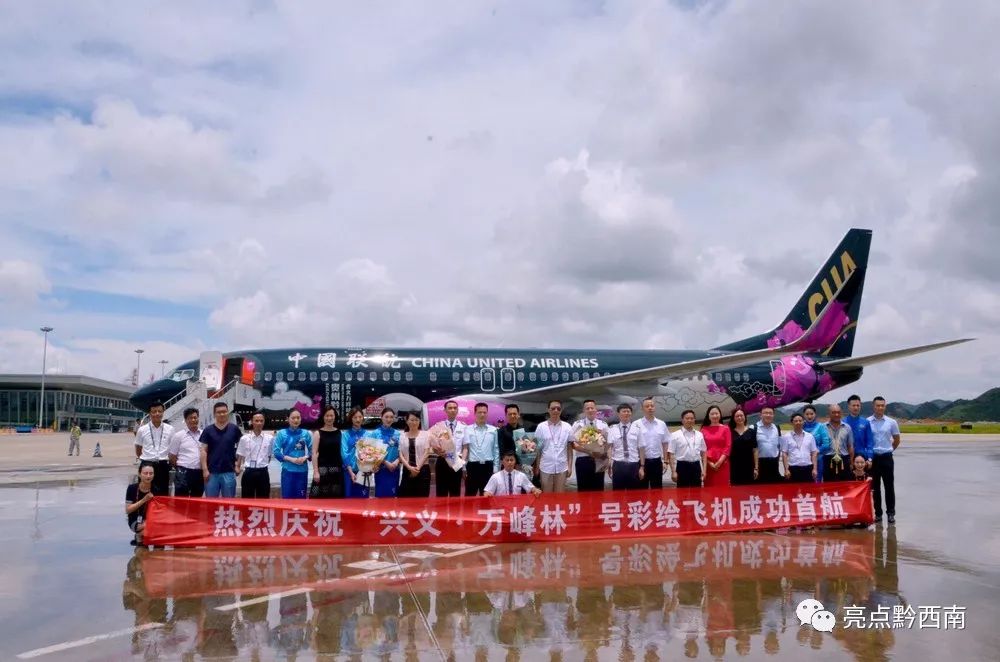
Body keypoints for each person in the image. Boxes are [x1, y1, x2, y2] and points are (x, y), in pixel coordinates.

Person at [868, 396, 901, 524]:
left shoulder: (891, 422)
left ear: (885, 406)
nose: (880, 408)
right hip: (874, 458)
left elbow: (896, 440)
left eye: (882, 405)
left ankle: (891, 513)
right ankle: (878, 514)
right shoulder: (868, 422)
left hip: (887, 457)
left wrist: (890, 450)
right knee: (875, 487)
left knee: (889, 487)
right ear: (873, 406)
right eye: (878, 405)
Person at [199, 402, 242, 498]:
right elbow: (203, 451)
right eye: (219, 412)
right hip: (211, 473)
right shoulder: (208, 430)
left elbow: (241, 448)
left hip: (229, 471)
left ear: (227, 412)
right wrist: (205, 470)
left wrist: (238, 465)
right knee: (211, 502)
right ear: (214, 414)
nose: (222, 414)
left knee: (229, 502)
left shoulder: (234, 429)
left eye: (224, 411)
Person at [134, 401, 175, 495]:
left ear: (163, 412)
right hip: (147, 465)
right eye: (154, 411)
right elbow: (138, 448)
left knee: (163, 493)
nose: (157, 414)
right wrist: (146, 459)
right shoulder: (142, 430)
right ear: (149, 413)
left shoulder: (170, 429)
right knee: (144, 492)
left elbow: (172, 448)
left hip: (163, 465)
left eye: (159, 411)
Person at [428, 400, 466, 497]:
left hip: (457, 462)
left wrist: (463, 464)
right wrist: (438, 452)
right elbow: (432, 444)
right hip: (442, 461)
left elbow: (465, 447)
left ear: (457, 410)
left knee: (455, 494)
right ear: (445, 410)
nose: (452, 410)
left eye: (455, 408)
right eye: (450, 408)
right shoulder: (438, 426)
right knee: (441, 493)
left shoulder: (463, 426)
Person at [570, 399, 609, 492]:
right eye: (587, 408)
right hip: (583, 460)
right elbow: (572, 443)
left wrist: (603, 454)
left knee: (598, 490)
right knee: (583, 490)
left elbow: (608, 443)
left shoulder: (603, 425)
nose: (590, 410)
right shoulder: (577, 424)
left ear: (596, 409)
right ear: (584, 411)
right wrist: (589, 452)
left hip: (599, 460)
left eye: (592, 408)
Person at [535, 400, 574, 493]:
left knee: (560, 497)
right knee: (546, 496)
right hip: (545, 467)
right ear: (548, 410)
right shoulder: (541, 427)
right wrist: (537, 467)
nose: (556, 410)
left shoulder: (567, 427)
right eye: (553, 408)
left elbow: (569, 449)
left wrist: (570, 466)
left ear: (561, 410)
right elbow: (538, 449)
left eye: (558, 409)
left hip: (562, 467)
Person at [272, 409, 313, 499]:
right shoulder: (281, 433)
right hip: (287, 471)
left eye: (298, 418)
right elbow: (276, 452)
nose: (296, 420)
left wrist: (305, 457)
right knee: (287, 500)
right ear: (288, 419)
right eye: (293, 418)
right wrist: (292, 459)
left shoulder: (306, 433)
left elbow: (313, 451)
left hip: (302, 471)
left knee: (301, 500)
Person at [462, 402, 500, 497]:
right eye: (479, 412)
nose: (482, 414)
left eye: (484, 412)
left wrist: (496, 468)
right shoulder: (467, 429)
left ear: (487, 413)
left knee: (487, 497)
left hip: (488, 467)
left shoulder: (493, 430)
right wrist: (464, 467)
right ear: (475, 413)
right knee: (469, 497)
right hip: (472, 467)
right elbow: (465, 449)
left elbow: (496, 449)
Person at [607, 403, 645, 490]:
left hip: (633, 465)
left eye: (628, 411)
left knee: (634, 494)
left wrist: (642, 467)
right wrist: (609, 465)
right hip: (618, 465)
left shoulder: (637, 429)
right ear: (618, 414)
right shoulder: (612, 429)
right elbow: (609, 448)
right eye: (624, 411)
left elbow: (641, 448)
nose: (626, 413)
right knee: (618, 493)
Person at [168, 407, 204, 497]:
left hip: (199, 472)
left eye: (195, 417)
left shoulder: (204, 434)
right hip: (183, 472)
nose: (193, 420)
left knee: (197, 499)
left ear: (198, 418)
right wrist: (179, 468)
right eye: (190, 418)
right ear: (185, 420)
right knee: (181, 499)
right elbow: (172, 456)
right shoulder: (179, 436)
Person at [236, 411, 273, 498]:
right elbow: (240, 455)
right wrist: (237, 467)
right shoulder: (244, 438)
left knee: (263, 500)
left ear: (264, 422)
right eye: (256, 421)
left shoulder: (270, 439)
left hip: (263, 472)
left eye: (261, 421)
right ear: (252, 422)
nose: (259, 423)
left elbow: (269, 456)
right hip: (249, 472)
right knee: (247, 500)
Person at [668, 410, 707, 488]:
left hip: (696, 466)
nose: (689, 420)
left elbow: (704, 452)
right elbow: (671, 454)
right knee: (682, 493)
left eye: (692, 418)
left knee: (696, 492)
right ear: (682, 420)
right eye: (687, 418)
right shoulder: (675, 435)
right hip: (682, 466)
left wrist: (704, 470)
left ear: (694, 420)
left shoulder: (699, 434)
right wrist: (673, 471)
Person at [311, 406, 344, 498]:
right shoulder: (318, 433)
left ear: (335, 416)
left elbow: (342, 452)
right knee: (319, 499)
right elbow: (314, 453)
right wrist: (316, 472)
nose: (329, 418)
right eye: (327, 415)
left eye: (331, 415)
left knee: (335, 499)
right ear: (323, 417)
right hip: (322, 472)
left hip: (336, 472)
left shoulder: (340, 433)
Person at [368, 408, 401, 498]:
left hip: (394, 469)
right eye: (386, 417)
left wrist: (396, 462)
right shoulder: (375, 434)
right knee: (381, 499)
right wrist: (385, 462)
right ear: (381, 417)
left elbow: (402, 451)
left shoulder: (398, 434)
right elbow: (371, 451)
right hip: (381, 470)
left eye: (391, 417)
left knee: (393, 498)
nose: (389, 419)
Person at [637, 397, 669, 488]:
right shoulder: (636, 424)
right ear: (642, 409)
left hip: (656, 462)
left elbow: (665, 443)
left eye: (652, 406)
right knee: (641, 490)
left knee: (657, 489)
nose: (650, 408)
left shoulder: (661, 424)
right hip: (641, 462)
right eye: (647, 406)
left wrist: (665, 461)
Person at [399, 411, 432, 498]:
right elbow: (400, 454)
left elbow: (426, 452)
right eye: (412, 420)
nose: (414, 422)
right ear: (407, 421)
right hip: (407, 470)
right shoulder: (402, 436)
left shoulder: (426, 434)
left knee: (422, 498)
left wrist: (417, 468)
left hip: (423, 470)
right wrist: (409, 468)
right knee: (405, 498)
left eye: (416, 420)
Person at [781, 413, 818, 483]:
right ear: (792, 423)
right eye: (796, 421)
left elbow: (814, 453)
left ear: (803, 422)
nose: (798, 422)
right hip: (793, 469)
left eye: (800, 421)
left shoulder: (810, 436)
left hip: (808, 468)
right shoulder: (786, 437)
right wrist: (786, 469)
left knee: (808, 489)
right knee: (793, 489)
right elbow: (784, 454)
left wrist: (815, 469)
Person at [341, 408, 369, 498]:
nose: (358, 419)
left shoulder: (367, 434)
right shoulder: (345, 434)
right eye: (355, 417)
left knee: (363, 500)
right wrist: (351, 472)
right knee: (349, 499)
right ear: (351, 419)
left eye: (360, 417)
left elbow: (371, 453)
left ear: (363, 418)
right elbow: (344, 454)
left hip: (364, 472)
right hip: (349, 472)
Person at [701, 405, 731, 488]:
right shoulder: (703, 429)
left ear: (720, 414)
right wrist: (709, 463)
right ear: (708, 416)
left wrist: (719, 463)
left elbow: (728, 446)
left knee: (723, 489)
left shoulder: (726, 428)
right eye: (712, 414)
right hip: (708, 464)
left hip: (723, 463)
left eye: (716, 413)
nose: (714, 416)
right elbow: (702, 449)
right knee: (709, 489)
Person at [125, 463, 155, 546]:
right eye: (145, 473)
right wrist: (144, 500)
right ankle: (140, 535)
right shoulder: (132, 488)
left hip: (152, 519)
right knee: (146, 529)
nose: (148, 476)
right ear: (139, 474)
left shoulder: (156, 488)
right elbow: (128, 510)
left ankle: (140, 536)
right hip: (136, 520)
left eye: (151, 473)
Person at [823, 404, 855, 481]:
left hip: (844, 459)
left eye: (838, 412)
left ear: (841, 413)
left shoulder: (847, 427)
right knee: (829, 485)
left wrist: (851, 462)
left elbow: (850, 446)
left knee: (845, 484)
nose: (836, 414)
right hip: (828, 459)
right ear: (829, 414)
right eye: (833, 412)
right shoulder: (823, 427)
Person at [728, 407, 757, 485]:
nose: (739, 418)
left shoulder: (752, 431)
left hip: (749, 466)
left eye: (741, 415)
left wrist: (756, 468)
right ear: (733, 418)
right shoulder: (729, 432)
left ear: (745, 417)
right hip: (734, 466)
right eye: (737, 416)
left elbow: (755, 450)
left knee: (749, 490)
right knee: (735, 490)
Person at [844, 395, 874, 470]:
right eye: (853, 405)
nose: (856, 408)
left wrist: (870, 458)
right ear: (849, 406)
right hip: (847, 457)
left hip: (862, 458)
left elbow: (870, 442)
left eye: (858, 405)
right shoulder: (843, 422)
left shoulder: (866, 422)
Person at [803, 405, 831, 482]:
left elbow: (826, 444)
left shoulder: (820, 427)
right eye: (807, 414)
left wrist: (816, 451)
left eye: (811, 414)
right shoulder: (801, 426)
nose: (809, 416)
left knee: (817, 481)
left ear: (815, 414)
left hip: (818, 459)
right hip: (803, 460)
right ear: (804, 415)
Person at [755, 406, 782, 483]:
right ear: (760, 415)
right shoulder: (754, 428)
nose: (768, 415)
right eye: (765, 413)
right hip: (760, 463)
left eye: (770, 413)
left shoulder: (777, 427)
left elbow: (779, 445)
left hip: (774, 463)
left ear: (773, 415)